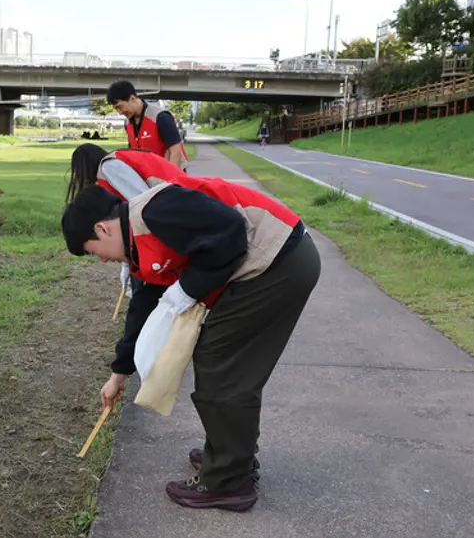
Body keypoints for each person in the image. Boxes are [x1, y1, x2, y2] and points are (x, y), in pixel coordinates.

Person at [61, 156, 322, 512]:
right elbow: (142, 308)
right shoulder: (139, 246)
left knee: (221, 366)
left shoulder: (155, 211)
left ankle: (229, 480)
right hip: (274, 263)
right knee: (222, 364)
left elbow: (230, 233)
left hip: (279, 261)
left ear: (102, 230)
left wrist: (187, 288)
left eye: (95, 253)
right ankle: (231, 459)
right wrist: (119, 373)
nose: (104, 261)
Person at [65, 143, 192, 298]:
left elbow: (144, 204)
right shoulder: (115, 162)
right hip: (178, 206)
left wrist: (134, 258)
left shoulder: (109, 168)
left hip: (177, 211)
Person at [106, 80, 189, 171]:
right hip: (149, 178)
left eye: (120, 107)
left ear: (132, 98)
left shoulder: (160, 117)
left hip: (170, 176)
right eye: (116, 109)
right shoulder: (128, 123)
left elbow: (176, 151)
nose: (120, 112)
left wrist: (171, 180)